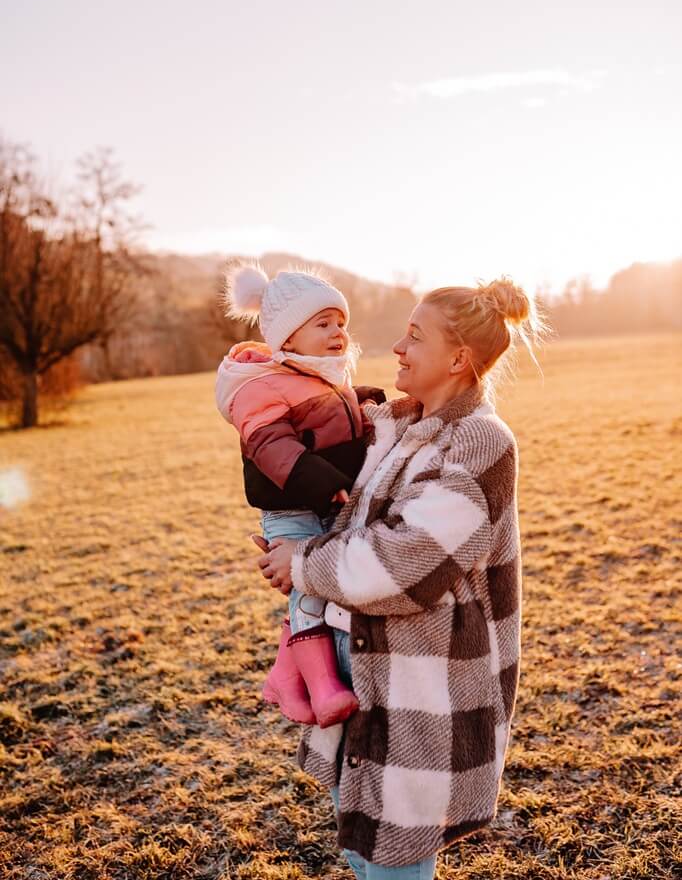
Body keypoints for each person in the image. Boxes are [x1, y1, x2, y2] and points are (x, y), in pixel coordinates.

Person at [256, 277, 543, 879]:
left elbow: (403, 565)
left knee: (394, 867)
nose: (397, 347)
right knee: (363, 856)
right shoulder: (392, 427)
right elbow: (350, 517)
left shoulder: (479, 442)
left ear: (459, 359)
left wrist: (304, 563)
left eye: (415, 336)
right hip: (361, 673)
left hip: (420, 694)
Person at [216, 263, 385, 729]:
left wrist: (365, 403)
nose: (338, 333)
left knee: (316, 582)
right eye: (323, 324)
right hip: (293, 504)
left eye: (341, 323)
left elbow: (332, 420)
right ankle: (322, 687)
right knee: (306, 588)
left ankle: (287, 676)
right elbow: (271, 445)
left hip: (321, 497)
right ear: (288, 337)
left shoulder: (321, 375)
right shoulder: (259, 386)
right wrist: (320, 480)